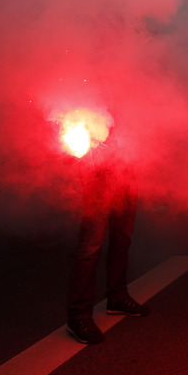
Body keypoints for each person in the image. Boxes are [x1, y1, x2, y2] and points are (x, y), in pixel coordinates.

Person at [66, 142, 150, 345]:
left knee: (122, 236)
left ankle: (117, 297)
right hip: (95, 163)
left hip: (126, 160)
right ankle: (79, 316)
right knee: (91, 245)